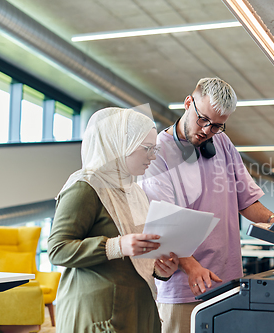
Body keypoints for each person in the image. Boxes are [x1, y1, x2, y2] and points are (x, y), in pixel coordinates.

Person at [140, 78, 274, 333]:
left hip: (228, 283)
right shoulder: (157, 154)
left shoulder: (223, 144)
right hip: (185, 290)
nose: (207, 130)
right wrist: (193, 267)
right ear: (187, 103)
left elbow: (247, 201)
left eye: (216, 125)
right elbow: (165, 223)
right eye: (203, 119)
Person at [48, 107, 179, 333]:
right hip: (99, 314)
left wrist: (160, 269)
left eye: (155, 149)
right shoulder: (85, 186)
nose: (153, 156)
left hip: (136, 310)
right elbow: (57, 249)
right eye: (147, 149)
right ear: (119, 145)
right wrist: (117, 245)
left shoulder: (134, 192)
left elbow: (136, 255)